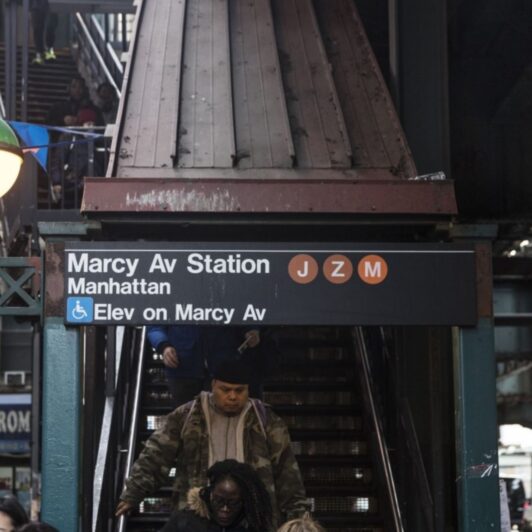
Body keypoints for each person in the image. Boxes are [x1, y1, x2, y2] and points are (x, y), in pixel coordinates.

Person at [115, 358, 308, 528]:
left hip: (251, 513)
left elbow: (286, 470)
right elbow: (156, 455)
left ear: (248, 390)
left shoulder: (266, 420)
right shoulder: (187, 416)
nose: (232, 396)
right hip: (199, 511)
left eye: (239, 391)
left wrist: (297, 513)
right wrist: (135, 492)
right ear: (213, 385)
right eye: (225, 390)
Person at [146, 325, 261, 405]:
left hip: (221, 369)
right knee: (184, 420)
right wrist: (164, 346)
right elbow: (154, 325)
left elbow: (243, 308)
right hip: (184, 369)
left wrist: (251, 329)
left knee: (223, 421)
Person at [160, 459, 274, 532]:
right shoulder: (184, 522)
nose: (225, 509)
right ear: (210, 494)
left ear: (244, 502)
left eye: (233, 503)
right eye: (219, 501)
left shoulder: (253, 527)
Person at [30, 0, 58, 64]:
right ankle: (39, 53)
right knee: (37, 28)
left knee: (50, 26)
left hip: (51, 4)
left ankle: (49, 50)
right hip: (37, 4)